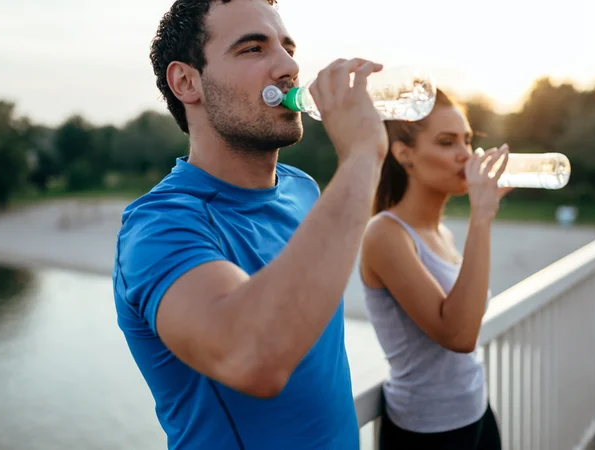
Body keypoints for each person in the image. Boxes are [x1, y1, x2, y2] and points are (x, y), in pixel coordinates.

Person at [112, 0, 390, 448]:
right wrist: (361, 156)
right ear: (187, 82)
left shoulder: (303, 189)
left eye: (287, 47)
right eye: (252, 49)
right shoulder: (157, 228)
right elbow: (251, 357)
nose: (289, 66)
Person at [359, 88, 509, 450]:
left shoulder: (440, 233)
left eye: (467, 141)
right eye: (447, 142)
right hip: (428, 431)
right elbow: (459, 335)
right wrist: (482, 218)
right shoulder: (385, 234)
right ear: (404, 154)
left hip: (475, 412)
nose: (466, 155)